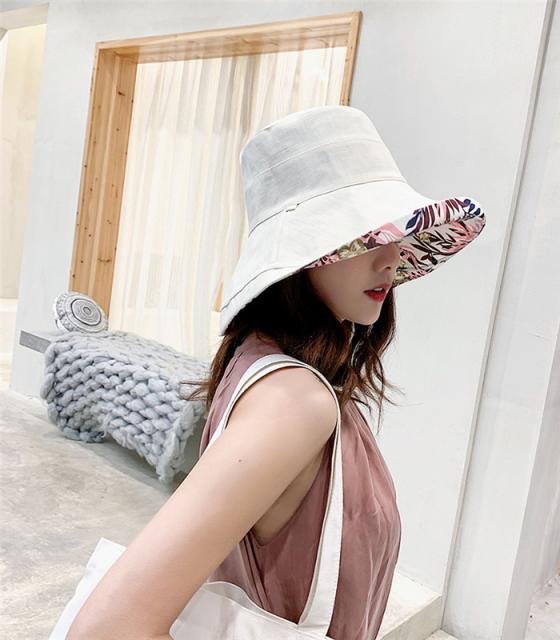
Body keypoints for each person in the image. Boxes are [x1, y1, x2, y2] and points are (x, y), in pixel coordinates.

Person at [66, 105, 486, 640]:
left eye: (394, 233)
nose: (391, 258)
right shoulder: (295, 401)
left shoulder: (262, 360)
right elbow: (105, 629)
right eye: (365, 237)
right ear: (304, 254)